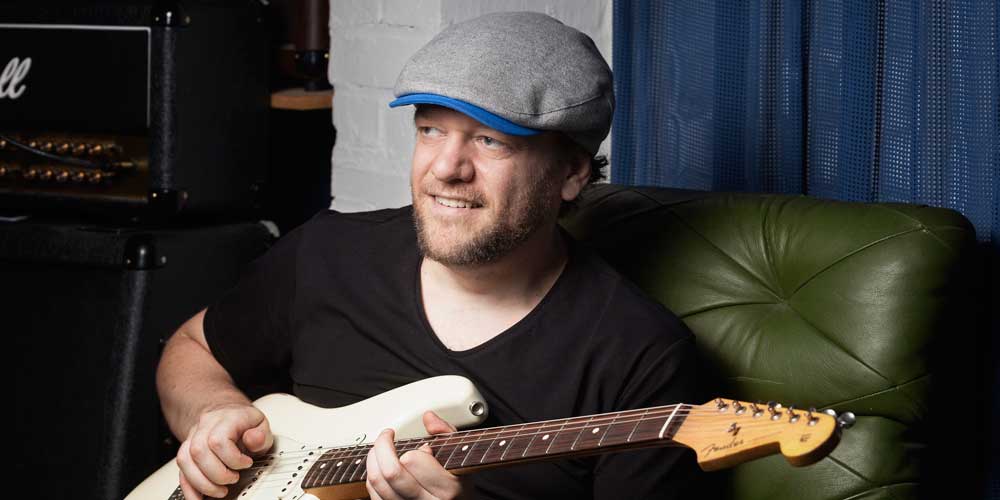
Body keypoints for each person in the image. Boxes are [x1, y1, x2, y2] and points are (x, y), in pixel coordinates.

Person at [157, 11, 699, 500]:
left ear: (572, 173)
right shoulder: (329, 252)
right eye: (431, 130)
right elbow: (191, 349)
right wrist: (215, 411)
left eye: (489, 140)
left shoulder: (640, 356)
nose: (445, 168)